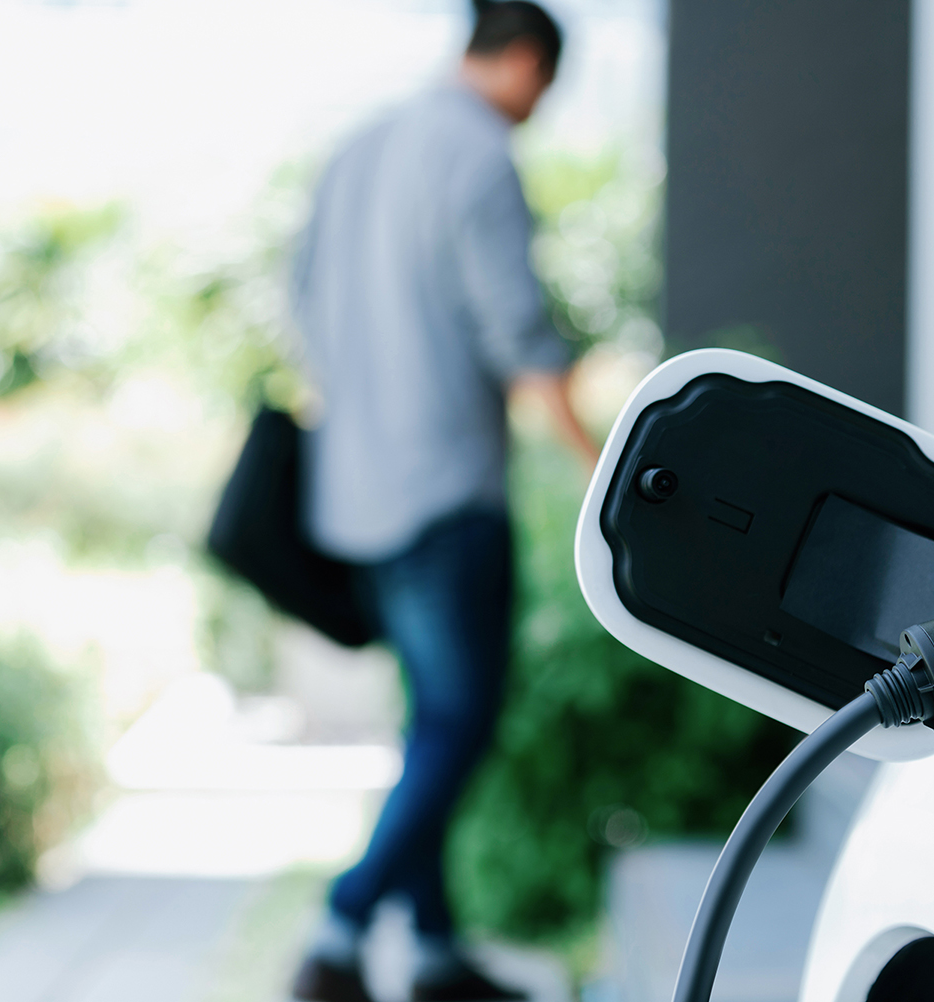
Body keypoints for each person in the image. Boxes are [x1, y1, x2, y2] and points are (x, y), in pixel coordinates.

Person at [287, 3, 595, 1000]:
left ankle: (429, 956)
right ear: (520, 62)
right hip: (447, 491)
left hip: (356, 488)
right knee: (460, 723)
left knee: (430, 721)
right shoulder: (476, 157)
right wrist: (602, 462)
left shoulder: (358, 148)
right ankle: (341, 925)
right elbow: (518, 333)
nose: (536, 113)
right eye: (542, 89)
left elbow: (301, 310)